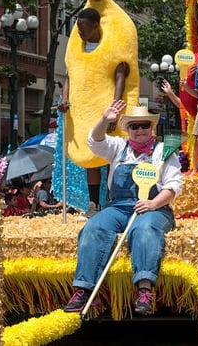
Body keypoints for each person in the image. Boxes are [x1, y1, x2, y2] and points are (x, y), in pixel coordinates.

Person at [63, 100, 183, 316]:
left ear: (152, 127)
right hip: (118, 207)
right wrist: (104, 120)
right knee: (93, 227)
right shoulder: (118, 147)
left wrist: (153, 203)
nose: (140, 130)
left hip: (154, 208)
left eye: (144, 125)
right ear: (127, 129)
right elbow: (94, 141)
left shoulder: (165, 151)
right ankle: (84, 290)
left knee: (144, 229)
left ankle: (144, 290)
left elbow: (173, 186)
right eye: (134, 126)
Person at [60, 0, 139, 218]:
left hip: (106, 108)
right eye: (77, 27)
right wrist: (65, 99)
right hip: (84, 110)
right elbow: (69, 76)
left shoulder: (112, 46)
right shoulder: (77, 51)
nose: (79, 32)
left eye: (82, 27)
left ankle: (113, 200)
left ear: (96, 26)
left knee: (112, 156)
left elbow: (121, 76)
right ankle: (94, 203)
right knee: (90, 157)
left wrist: (114, 110)